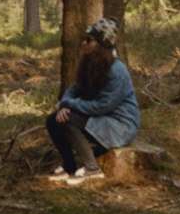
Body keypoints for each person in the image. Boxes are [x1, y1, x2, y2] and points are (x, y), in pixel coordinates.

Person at [45, 18, 140, 186]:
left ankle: (92, 169)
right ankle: (70, 167)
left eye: (89, 40)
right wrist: (65, 102)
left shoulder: (117, 71)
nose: (84, 43)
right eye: (84, 38)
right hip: (102, 119)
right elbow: (75, 88)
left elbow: (101, 106)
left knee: (68, 119)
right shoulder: (92, 63)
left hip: (121, 126)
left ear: (101, 44)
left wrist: (69, 106)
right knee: (53, 120)